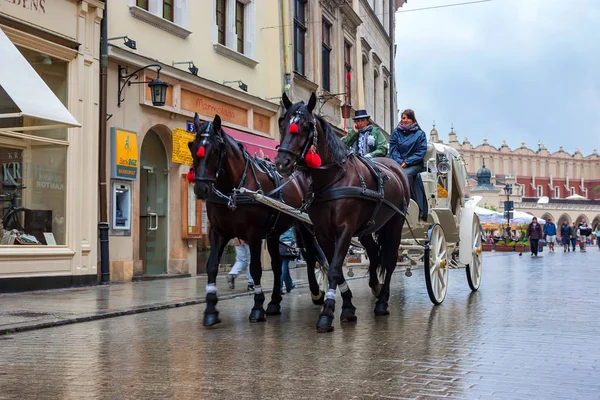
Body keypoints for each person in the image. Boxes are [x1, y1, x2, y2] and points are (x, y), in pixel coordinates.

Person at [388, 109, 429, 221]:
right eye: (403, 118)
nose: (405, 120)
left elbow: (421, 151)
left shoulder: (420, 134)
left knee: (405, 175)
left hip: (414, 164)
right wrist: (400, 161)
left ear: (413, 119)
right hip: (398, 162)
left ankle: (407, 202)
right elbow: (393, 148)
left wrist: (407, 162)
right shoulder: (396, 132)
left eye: (407, 118)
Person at [279, 227, 297, 295]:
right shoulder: (289, 220)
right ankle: (279, 287)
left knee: (285, 266)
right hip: (288, 243)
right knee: (284, 266)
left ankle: (289, 284)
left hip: (280, 243)